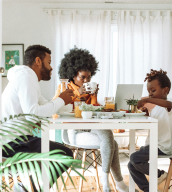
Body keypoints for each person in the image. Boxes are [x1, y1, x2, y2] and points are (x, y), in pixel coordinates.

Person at [51, 47, 128, 192]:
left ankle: (109, 182)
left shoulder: (89, 89)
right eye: (82, 77)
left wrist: (93, 97)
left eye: (89, 77)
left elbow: (93, 113)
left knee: (108, 135)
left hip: (91, 126)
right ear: (73, 75)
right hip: (74, 132)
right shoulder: (63, 88)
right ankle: (114, 184)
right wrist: (76, 93)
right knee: (113, 144)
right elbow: (55, 111)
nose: (86, 80)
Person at [1, 44, 75, 192]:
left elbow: (43, 106)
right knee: (64, 154)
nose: (51, 68)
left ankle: (25, 187)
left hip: (14, 139)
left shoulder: (27, 77)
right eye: (49, 62)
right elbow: (34, 112)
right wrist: (60, 99)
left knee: (59, 153)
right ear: (38, 61)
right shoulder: (26, 76)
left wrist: (62, 100)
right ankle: (30, 188)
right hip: (11, 143)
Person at [129, 69, 172, 192]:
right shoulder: (156, 109)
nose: (150, 94)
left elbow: (168, 104)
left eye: (153, 91)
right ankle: (148, 190)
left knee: (135, 158)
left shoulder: (170, 104)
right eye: (149, 91)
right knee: (131, 164)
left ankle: (159, 174)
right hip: (151, 144)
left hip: (162, 146)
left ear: (166, 90)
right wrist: (146, 113)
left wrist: (146, 100)